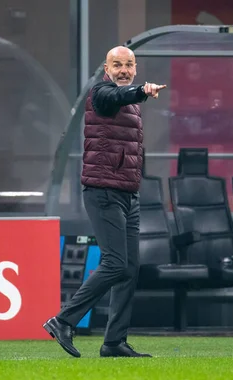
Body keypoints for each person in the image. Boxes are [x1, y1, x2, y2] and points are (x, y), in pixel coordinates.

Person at [43, 46, 166, 357]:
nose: (123, 69)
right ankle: (63, 319)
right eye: (117, 65)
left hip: (128, 193)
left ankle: (114, 342)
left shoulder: (131, 103)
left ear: (135, 67)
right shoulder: (101, 93)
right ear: (106, 68)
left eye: (128, 65)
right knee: (114, 263)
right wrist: (142, 90)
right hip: (103, 191)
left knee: (129, 269)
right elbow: (117, 97)